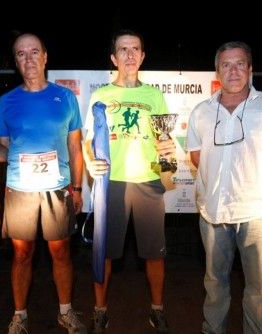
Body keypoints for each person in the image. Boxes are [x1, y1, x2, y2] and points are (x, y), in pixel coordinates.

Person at [0, 33, 87, 334]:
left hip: (58, 190)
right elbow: (3, 152)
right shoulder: (7, 102)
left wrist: (77, 188)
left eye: (35, 52)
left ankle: (66, 311)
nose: (29, 59)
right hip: (20, 190)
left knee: (61, 252)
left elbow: (75, 148)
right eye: (22, 54)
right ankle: (20, 315)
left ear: (46, 57)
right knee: (22, 254)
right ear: (16, 61)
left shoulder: (66, 97)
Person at [186, 41, 262, 334]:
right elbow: (196, 156)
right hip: (213, 213)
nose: (233, 70)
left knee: (258, 290)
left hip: (259, 214)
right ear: (217, 71)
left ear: (250, 69)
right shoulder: (201, 111)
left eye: (239, 63)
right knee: (214, 284)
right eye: (226, 64)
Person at [83, 29, 176, 333]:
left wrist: (168, 152)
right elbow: (87, 140)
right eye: (123, 50)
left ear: (143, 56)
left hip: (149, 182)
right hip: (113, 184)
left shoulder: (154, 95)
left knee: (154, 253)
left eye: (135, 49)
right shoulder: (101, 95)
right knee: (106, 253)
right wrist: (88, 162)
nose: (130, 55)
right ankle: (100, 311)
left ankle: (158, 310)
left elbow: (165, 137)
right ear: (114, 58)